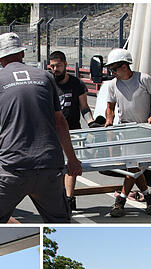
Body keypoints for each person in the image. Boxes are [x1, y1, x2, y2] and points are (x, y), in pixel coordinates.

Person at [0, 33, 82, 223]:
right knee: (59, 222)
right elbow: (60, 123)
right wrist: (73, 160)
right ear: (21, 53)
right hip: (49, 166)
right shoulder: (45, 76)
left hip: (13, 168)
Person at [103, 48, 151, 217]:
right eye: (111, 69)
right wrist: (109, 122)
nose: (113, 72)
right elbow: (110, 107)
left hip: (143, 129)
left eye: (114, 69)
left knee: (133, 167)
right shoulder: (113, 84)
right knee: (134, 167)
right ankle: (148, 198)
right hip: (125, 129)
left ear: (125, 66)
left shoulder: (143, 79)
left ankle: (121, 201)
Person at [48, 50, 95, 212]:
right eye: (52, 66)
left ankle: (69, 198)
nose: (55, 69)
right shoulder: (47, 83)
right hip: (52, 133)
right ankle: (59, 197)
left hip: (73, 131)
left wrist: (91, 123)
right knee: (56, 168)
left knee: (71, 166)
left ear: (65, 65)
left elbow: (84, 107)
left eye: (58, 66)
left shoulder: (76, 84)